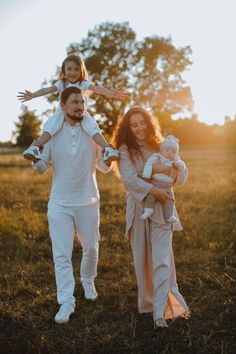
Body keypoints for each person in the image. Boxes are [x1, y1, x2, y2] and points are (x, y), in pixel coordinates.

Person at [32, 86, 112, 324]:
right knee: (62, 255)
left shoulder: (91, 130)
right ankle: (66, 301)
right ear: (62, 106)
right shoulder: (51, 131)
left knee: (91, 248)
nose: (80, 106)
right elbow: (42, 168)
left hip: (88, 201)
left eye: (82, 102)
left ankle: (88, 280)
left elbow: (104, 167)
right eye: (75, 102)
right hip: (59, 204)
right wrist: (35, 157)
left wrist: (109, 157)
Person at [111, 106, 189, 328]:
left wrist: (179, 168)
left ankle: (162, 309)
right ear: (128, 128)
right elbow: (129, 179)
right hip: (139, 208)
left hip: (164, 209)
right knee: (143, 258)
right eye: (134, 125)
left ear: (149, 122)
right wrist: (155, 192)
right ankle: (149, 303)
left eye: (142, 122)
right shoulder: (126, 149)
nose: (139, 128)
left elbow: (178, 177)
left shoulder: (161, 145)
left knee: (162, 259)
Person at [18, 53, 129, 162]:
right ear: (64, 71)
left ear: (81, 71)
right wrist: (33, 95)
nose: (72, 72)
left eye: (76, 69)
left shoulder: (83, 83)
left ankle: (107, 149)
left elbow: (96, 89)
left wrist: (112, 94)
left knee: (92, 127)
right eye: (69, 69)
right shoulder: (62, 83)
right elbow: (47, 90)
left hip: (82, 113)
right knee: (51, 126)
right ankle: (36, 148)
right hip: (62, 112)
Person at [141, 135, 186, 222]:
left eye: (173, 151)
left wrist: (180, 165)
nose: (170, 153)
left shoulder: (175, 160)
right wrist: (147, 174)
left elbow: (182, 166)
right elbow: (149, 164)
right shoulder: (157, 157)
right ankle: (148, 210)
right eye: (167, 150)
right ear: (161, 150)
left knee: (170, 199)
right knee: (151, 196)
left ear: (176, 153)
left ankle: (169, 216)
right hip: (155, 182)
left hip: (168, 185)